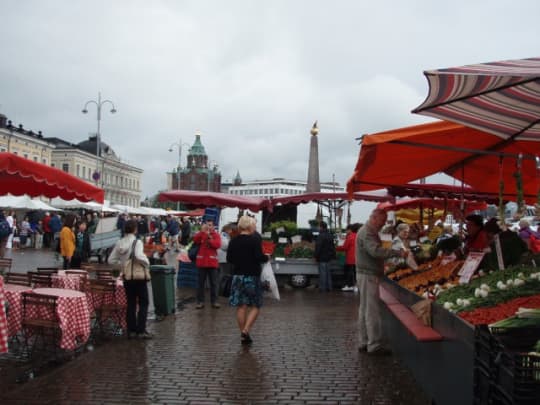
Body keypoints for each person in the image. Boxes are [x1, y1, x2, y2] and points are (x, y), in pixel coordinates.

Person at [356, 208, 408, 355]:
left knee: (365, 309)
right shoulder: (367, 232)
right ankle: (374, 345)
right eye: (382, 221)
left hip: (366, 274)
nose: (383, 224)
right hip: (368, 275)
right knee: (371, 311)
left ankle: (364, 341)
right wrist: (396, 252)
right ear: (374, 218)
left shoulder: (368, 231)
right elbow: (375, 252)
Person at [227, 215, 269, 345]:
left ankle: (243, 334)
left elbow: (229, 259)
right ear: (250, 226)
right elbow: (259, 257)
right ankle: (246, 330)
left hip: (238, 276)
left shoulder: (233, 241)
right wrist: (267, 257)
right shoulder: (254, 240)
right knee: (256, 305)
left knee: (241, 306)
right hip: (252, 276)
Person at [108, 219, 152, 339]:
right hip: (138, 276)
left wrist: (122, 265)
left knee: (131, 303)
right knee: (144, 302)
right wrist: (146, 261)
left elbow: (111, 260)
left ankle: (131, 330)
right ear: (135, 229)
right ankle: (141, 330)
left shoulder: (120, 242)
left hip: (127, 277)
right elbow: (138, 255)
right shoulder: (137, 242)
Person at [193, 218, 222, 309]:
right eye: (207, 225)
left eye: (210, 225)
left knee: (214, 283)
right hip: (202, 263)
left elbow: (217, 245)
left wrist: (209, 238)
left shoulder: (216, 235)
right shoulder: (201, 234)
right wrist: (202, 232)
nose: (208, 227)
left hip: (212, 263)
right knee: (200, 283)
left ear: (213, 226)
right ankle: (200, 302)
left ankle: (214, 301)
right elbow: (195, 240)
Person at [336, 223, 360, 292]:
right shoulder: (358, 236)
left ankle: (349, 286)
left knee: (348, 273)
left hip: (350, 258)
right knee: (355, 273)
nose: (346, 231)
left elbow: (345, 247)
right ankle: (356, 286)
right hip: (357, 258)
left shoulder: (350, 237)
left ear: (350, 230)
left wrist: (336, 248)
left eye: (347, 230)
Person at [314, 221, 336, 292]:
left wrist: (316, 256)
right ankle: (329, 287)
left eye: (319, 226)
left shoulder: (320, 236)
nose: (318, 228)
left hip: (322, 257)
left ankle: (323, 288)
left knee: (323, 273)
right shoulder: (330, 235)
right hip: (328, 257)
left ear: (321, 227)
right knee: (328, 273)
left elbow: (318, 247)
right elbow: (333, 247)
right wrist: (333, 256)